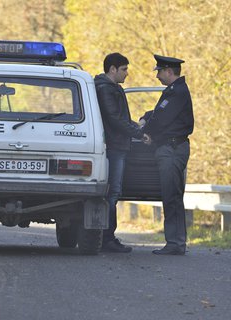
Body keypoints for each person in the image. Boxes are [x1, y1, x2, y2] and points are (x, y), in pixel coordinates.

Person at [94, 52, 150, 253]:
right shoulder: (106, 90)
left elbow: (119, 118)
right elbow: (114, 119)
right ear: (113, 69)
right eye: (124, 69)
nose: (127, 74)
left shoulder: (110, 88)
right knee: (112, 192)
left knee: (112, 192)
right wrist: (138, 132)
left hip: (116, 145)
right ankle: (107, 238)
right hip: (114, 147)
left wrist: (137, 128)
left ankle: (105, 236)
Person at [141, 54, 194, 255]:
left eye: (160, 72)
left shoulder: (176, 92)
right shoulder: (174, 91)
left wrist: (146, 131)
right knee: (172, 195)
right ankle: (175, 242)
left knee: (171, 196)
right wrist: (147, 118)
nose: (158, 76)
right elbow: (159, 114)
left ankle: (175, 243)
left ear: (169, 72)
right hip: (172, 147)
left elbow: (162, 119)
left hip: (172, 149)